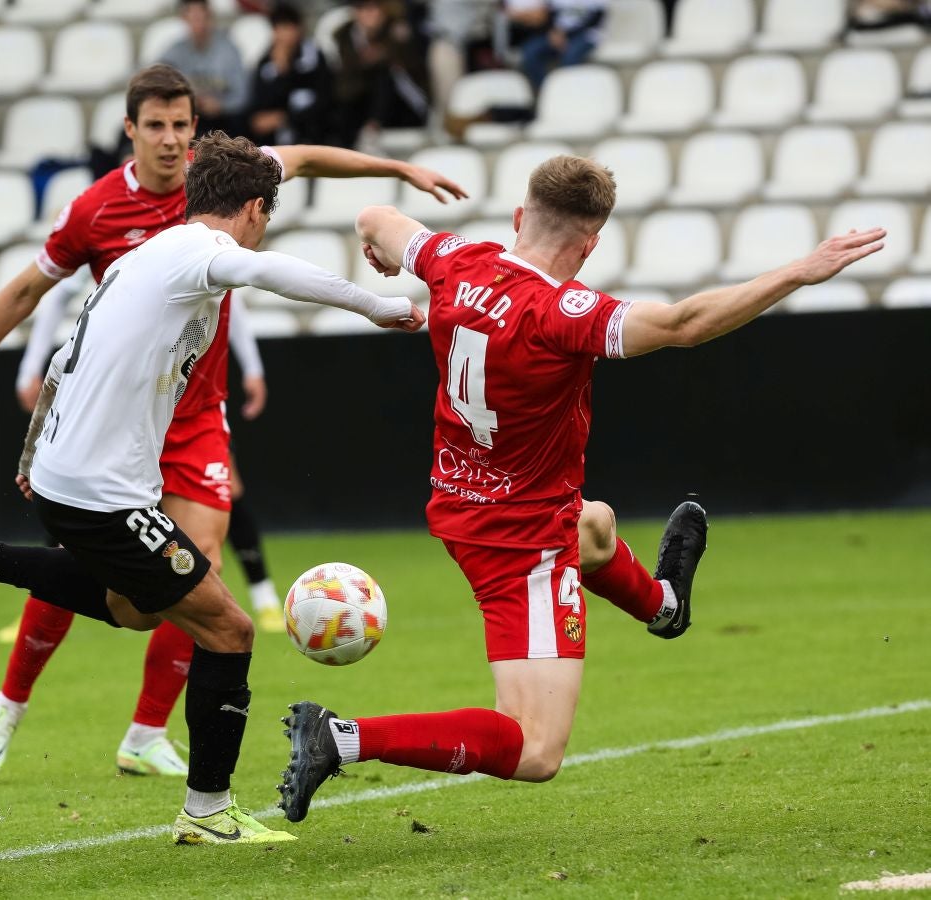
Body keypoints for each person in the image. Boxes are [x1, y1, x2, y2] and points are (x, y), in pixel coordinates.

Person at [0, 63, 465, 784]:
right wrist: (381, 306)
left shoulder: (206, 192)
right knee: (196, 610)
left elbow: (307, 159)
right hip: (111, 439)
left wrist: (396, 167)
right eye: (155, 125)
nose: (168, 139)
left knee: (162, 596)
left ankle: (141, 728)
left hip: (174, 424)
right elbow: (38, 293)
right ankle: (21, 711)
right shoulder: (127, 220)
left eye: (180, 125)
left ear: (196, 137)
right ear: (131, 130)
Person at [275, 155, 886, 823]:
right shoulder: (562, 313)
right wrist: (798, 271)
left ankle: (664, 606)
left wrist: (379, 251)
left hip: (458, 498)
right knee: (536, 748)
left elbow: (376, 217)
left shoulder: (454, 259)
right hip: (519, 541)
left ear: (519, 217)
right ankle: (340, 738)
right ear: (590, 245)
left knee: (594, 526)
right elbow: (683, 324)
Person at [12, 284, 285, 634]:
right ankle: (33, 613)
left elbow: (232, 293)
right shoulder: (110, 255)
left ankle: (264, 596)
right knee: (81, 514)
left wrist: (253, 367)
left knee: (205, 548)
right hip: (125, 403)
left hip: (193, 410)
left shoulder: (203, 254)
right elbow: (59, 292)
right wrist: (29, 369)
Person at [332, 0, 433, 150]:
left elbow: (414, 72)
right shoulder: (344, 37)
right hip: (360, 103)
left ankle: (373, 126)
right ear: (355, 12)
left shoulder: (398, 32)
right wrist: (364, 63)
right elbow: (345, 80)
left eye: (375, 8)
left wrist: (385, 54)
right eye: (364, 8)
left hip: (403, 105)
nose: (370, 14)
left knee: (384, 74)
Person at [246, 3, 336, 147]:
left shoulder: (313, 57)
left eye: (287, 28)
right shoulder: (266, 63)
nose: (283, 35)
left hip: (310, 133)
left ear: (299, 29)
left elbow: (324, 99)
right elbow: (259, 109)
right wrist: (280, 72)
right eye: (278, 28)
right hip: (274, 138)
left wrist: (284, 118)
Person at [159, 0, 250, 137]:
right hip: (190, 119)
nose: (198, 23)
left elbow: (243, 96)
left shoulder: (228, 50)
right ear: (184, 19)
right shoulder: (175, 51)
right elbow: (156, 80)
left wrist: (221, 106)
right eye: (193, 18)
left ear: (210, 17)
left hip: (224, 121)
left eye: (201, 18)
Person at [516, 0, 607, 91]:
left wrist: (566, 35)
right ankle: (547, 91)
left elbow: (595, 19)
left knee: (570, 56)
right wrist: (553, 32)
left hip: (586, 35)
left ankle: (568, 92)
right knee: (530, 51)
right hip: (557, 34)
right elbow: (550, 15)